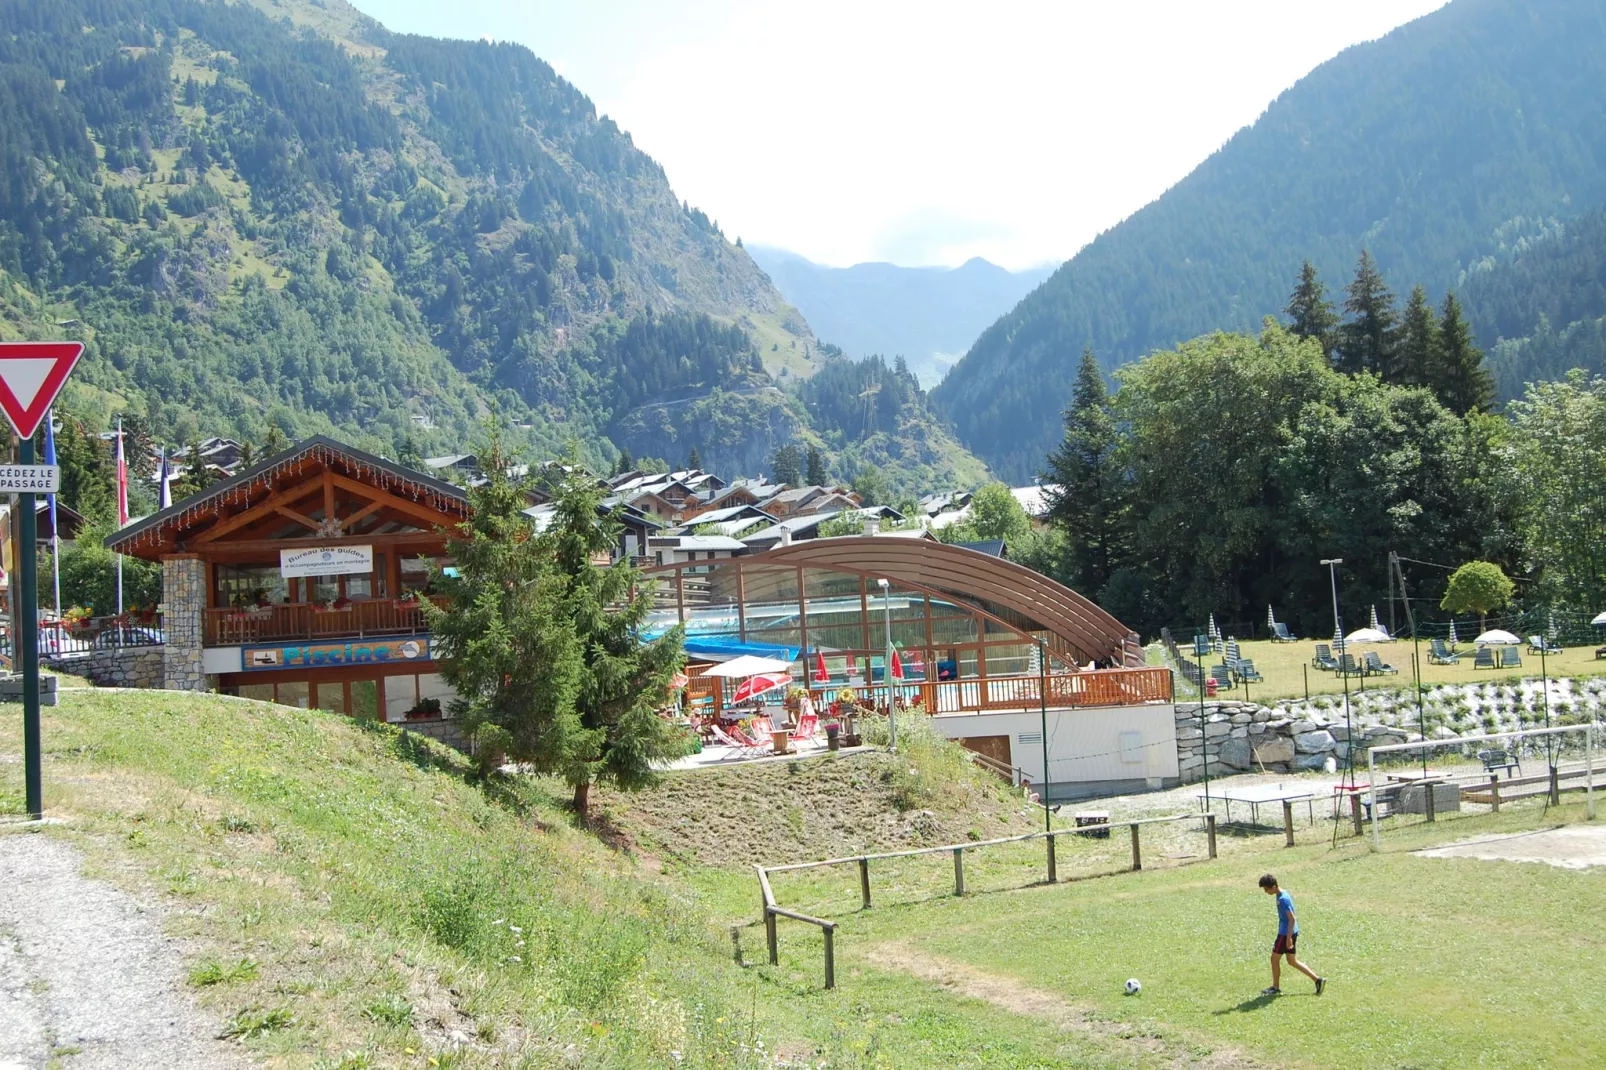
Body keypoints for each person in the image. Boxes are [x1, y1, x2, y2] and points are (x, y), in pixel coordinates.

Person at [1258, 873, 1325, 996]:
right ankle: (1318, 980)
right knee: (1292, 961)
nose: (1265, 892)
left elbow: (1292, 919)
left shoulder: (1283, 899)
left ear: (1273, 886)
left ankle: (1275, 987)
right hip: (1290, 932)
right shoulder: (1282, 893)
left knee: (1274, 959)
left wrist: (1288, 938)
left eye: (1266, 889)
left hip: (1285, 934)